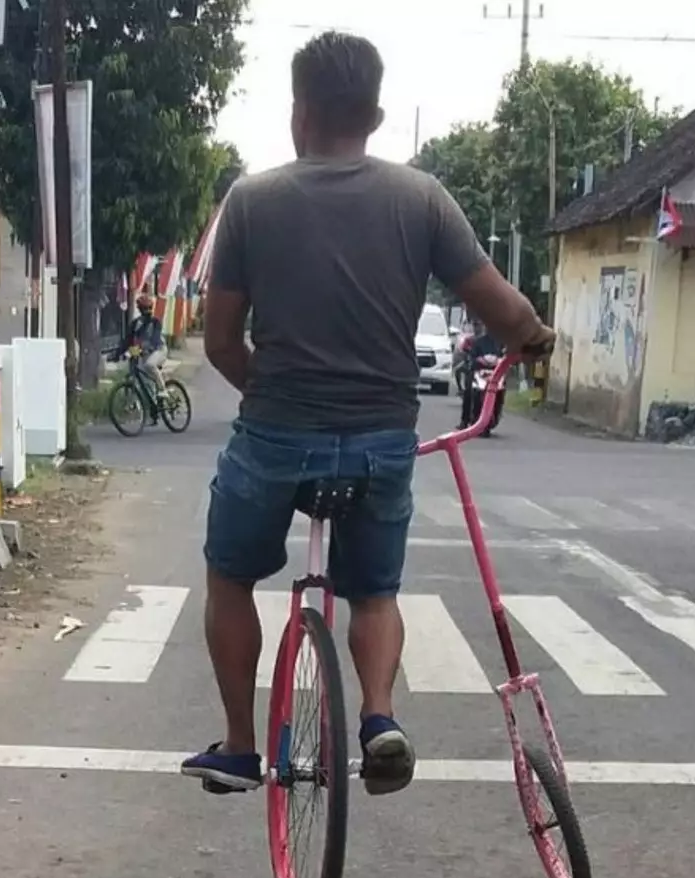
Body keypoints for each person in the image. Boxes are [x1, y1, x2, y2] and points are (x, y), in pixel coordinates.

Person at [182, 30, 556, 797]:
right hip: (382, 442)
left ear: (298, 113)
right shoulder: (422, 199)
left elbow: (220, 342)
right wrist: (535, 337)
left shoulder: (252, 200)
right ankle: (380, 718)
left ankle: (240, 744)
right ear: (376, 116)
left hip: (275, 435)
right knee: (375, 591)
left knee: (229, 576)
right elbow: (501, 307)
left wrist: (272, 392)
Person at [121, 293, 168, 399]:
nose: (146, 311)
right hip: (143, 351)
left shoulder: (156, 322)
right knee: (137, 373)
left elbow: (155, 340)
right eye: (143, 308)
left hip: (159, 350)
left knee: (150, 365)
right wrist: (118, 354)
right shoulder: (135, 323)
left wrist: (145, 349)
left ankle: (163, 389)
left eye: (148, 308)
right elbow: (127, 341)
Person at [458, 327, 505, 430]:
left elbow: (505, 356)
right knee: (468, 390)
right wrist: (476, 361)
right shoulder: (477, 342)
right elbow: (471, 357)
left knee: (502, 389)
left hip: (495, 374)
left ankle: (496, 412)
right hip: (479, 372)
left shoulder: (501, 343)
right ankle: (464, 420)